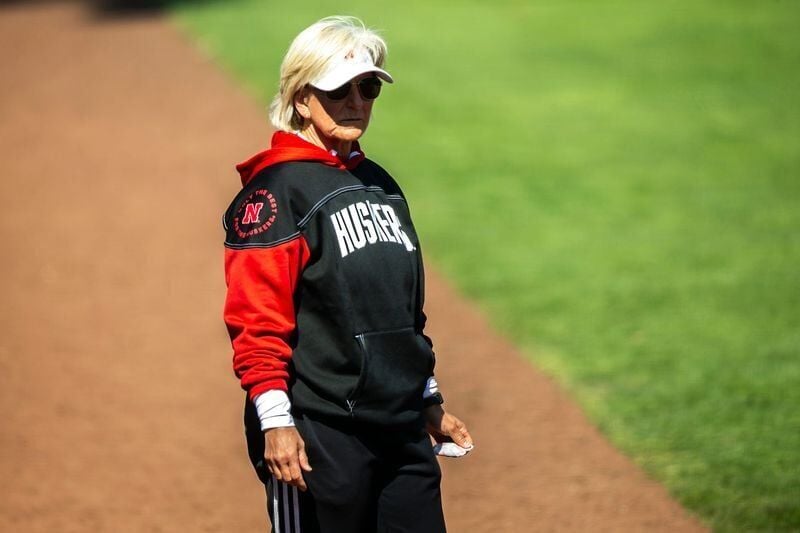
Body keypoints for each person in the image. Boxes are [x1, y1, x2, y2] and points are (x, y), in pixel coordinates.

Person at [222, 15, 473, 533]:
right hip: (320, 431)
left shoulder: (379, 184)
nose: (357, 103)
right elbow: (256, 321)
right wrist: (276, 422)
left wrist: (427, 398)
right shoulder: (277, 192)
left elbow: (401, 314)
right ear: (301, 98)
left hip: (399, 427)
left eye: (367, 88)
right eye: (339, 90)